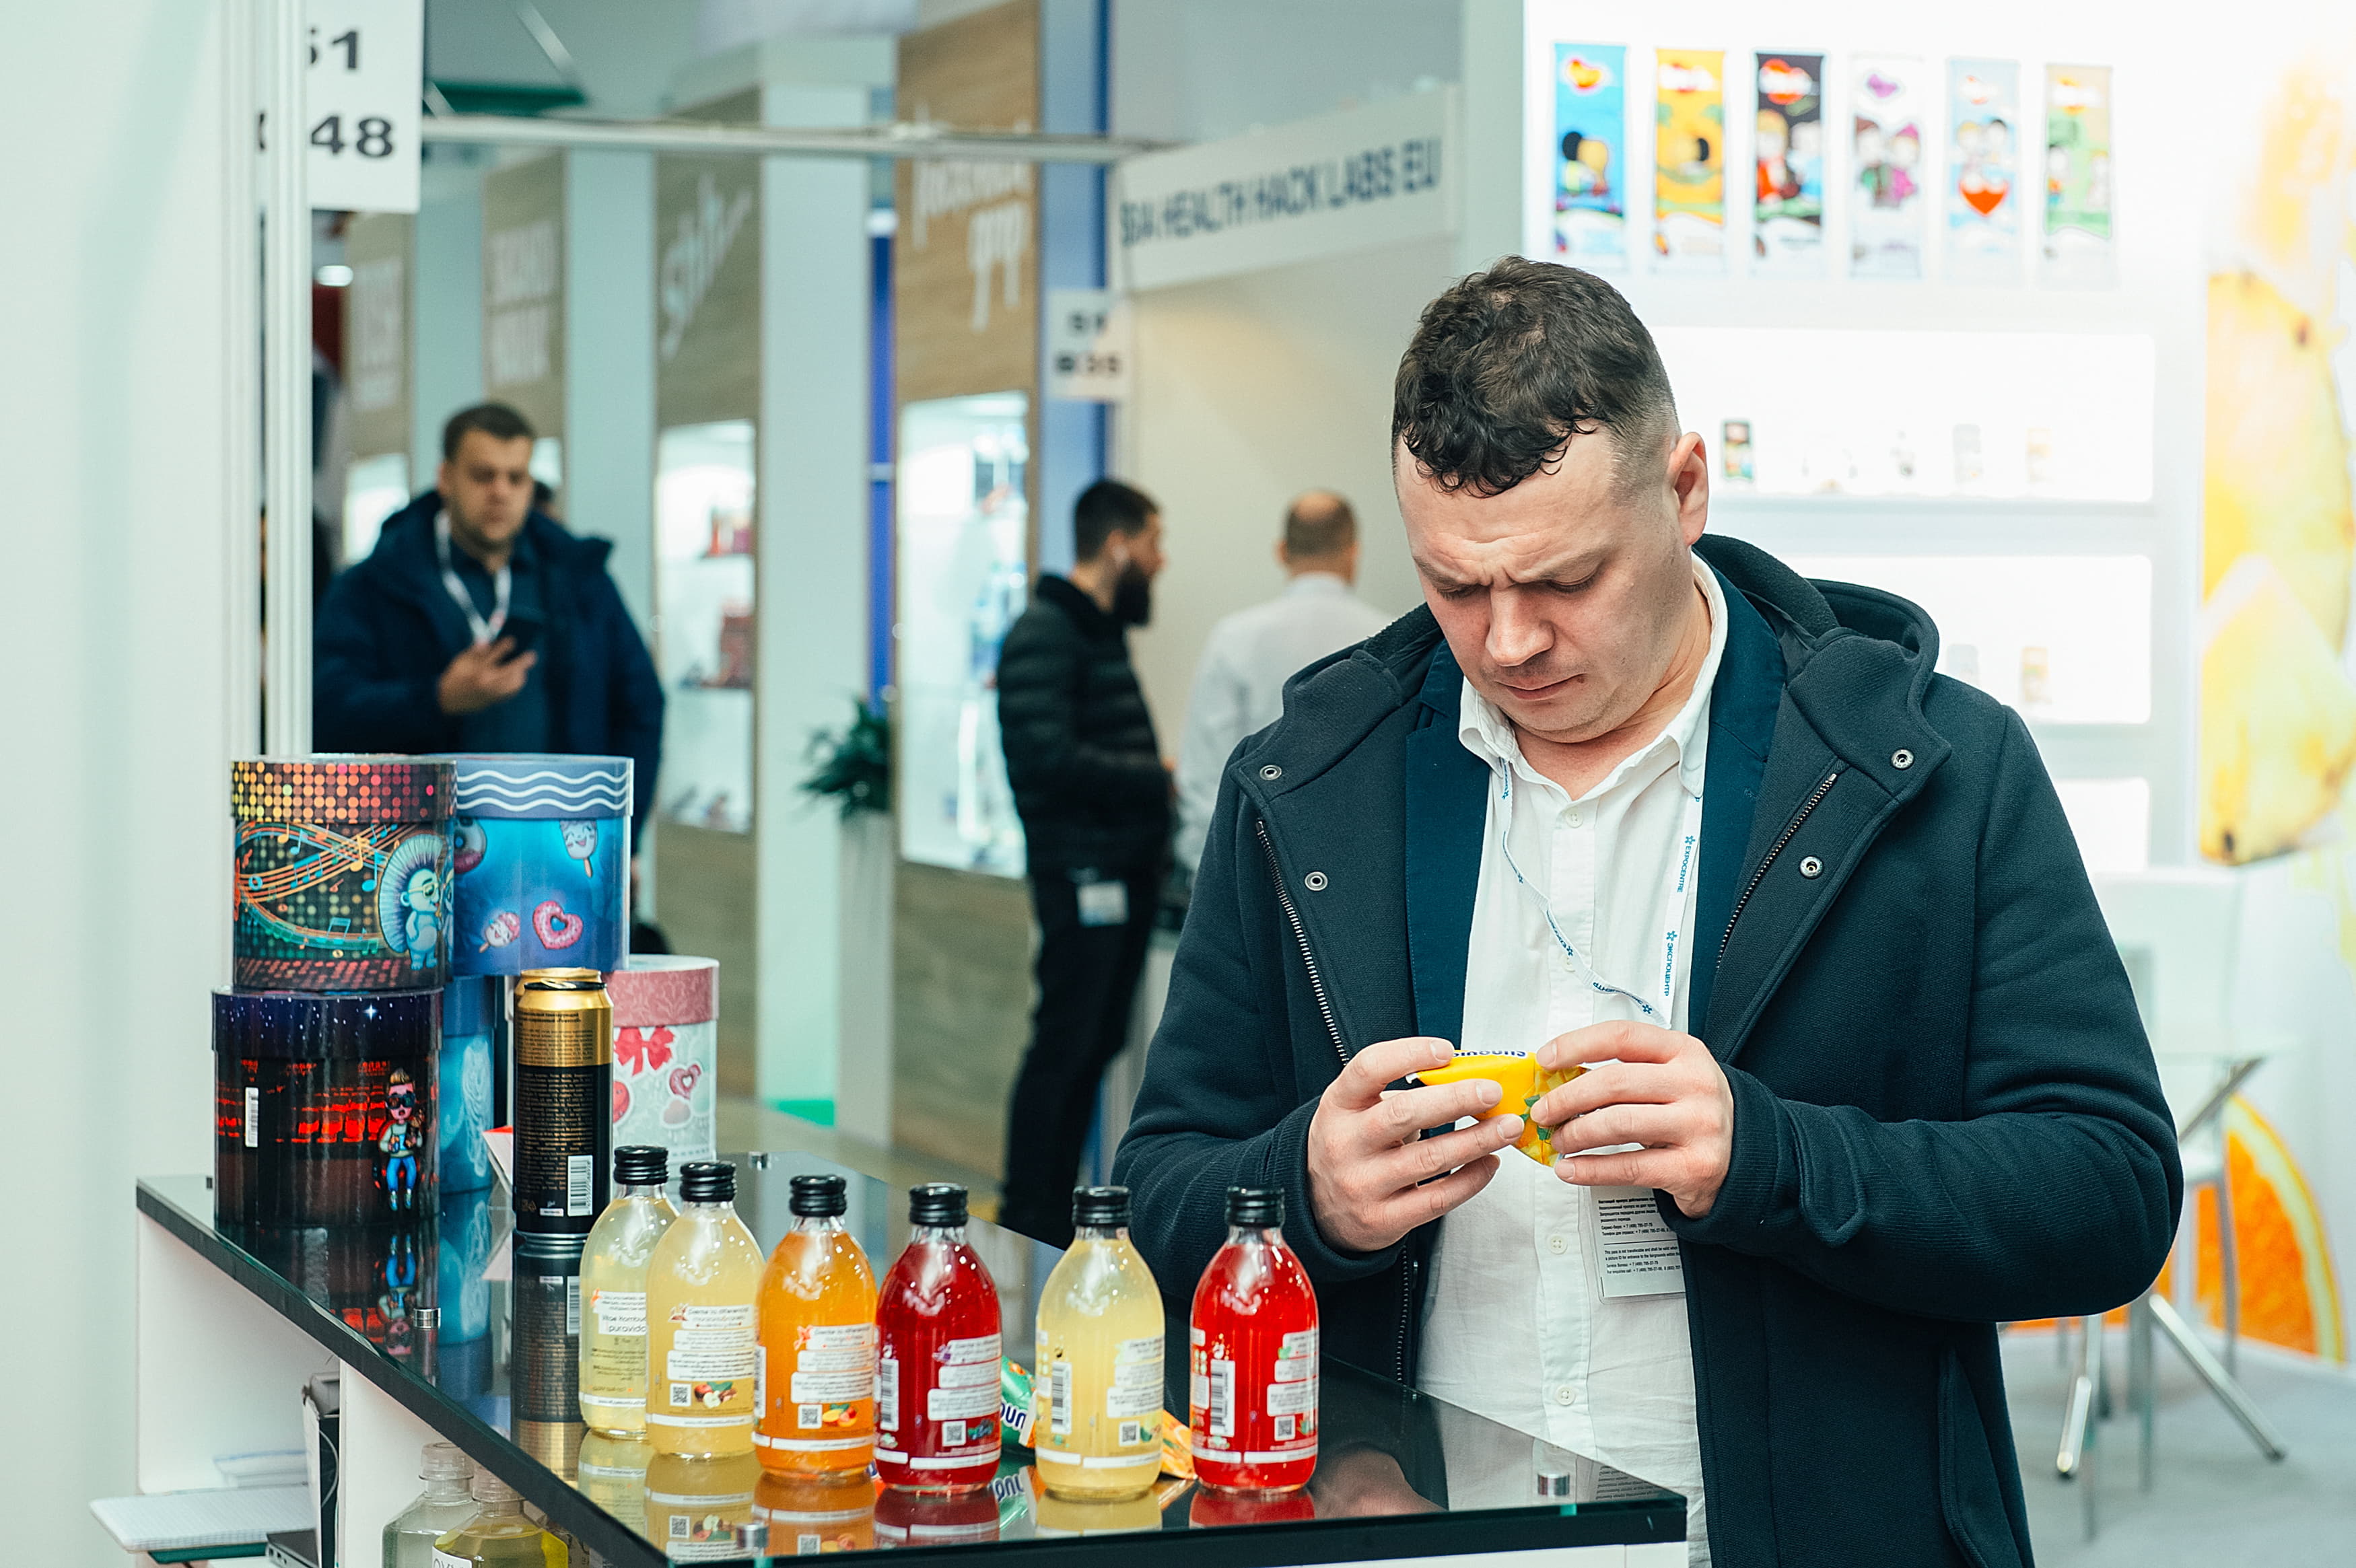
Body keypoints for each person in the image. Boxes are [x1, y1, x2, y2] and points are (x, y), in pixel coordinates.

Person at [1113, 258, 2179, 1565]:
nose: (1509, 642)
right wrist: (1305, 1193)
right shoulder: (1311, 786)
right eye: (1455, 586)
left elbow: (2110, 1193)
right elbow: (1154, 1201)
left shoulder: (1933, 769)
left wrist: (1775, 1163)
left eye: (1565, 580)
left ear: (1684, 491)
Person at [314, 402, 663, 828]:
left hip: (556, 842)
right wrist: (437, 699)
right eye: (483, 475)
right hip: (419, 842)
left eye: (516, 477)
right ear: (446, 478)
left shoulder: (579, 580)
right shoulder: (373, 584)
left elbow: (640, 705)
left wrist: (624, 834)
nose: (501, 492)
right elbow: (329, 711)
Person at [995, 478, 1171, 1247]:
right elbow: (1046, 757)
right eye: (1154, 543)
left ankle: (1051, 1217)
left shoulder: (1096, 633)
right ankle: (1027, 1217)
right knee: (1064, 1045)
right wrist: (1153, 776)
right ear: (1118, 545)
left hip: (1119, 874)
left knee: (1091, 1042)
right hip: (1080, 876)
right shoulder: (1045, 633)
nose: (1160, 562)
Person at [1173, 491, 1391, 874]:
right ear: (1354, 552)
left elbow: (1203, 773)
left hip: (1249, 861)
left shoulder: (1234, 639)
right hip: (1359, 866)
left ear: (1282, 551)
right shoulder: (1386, 640)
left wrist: (1214, 870)